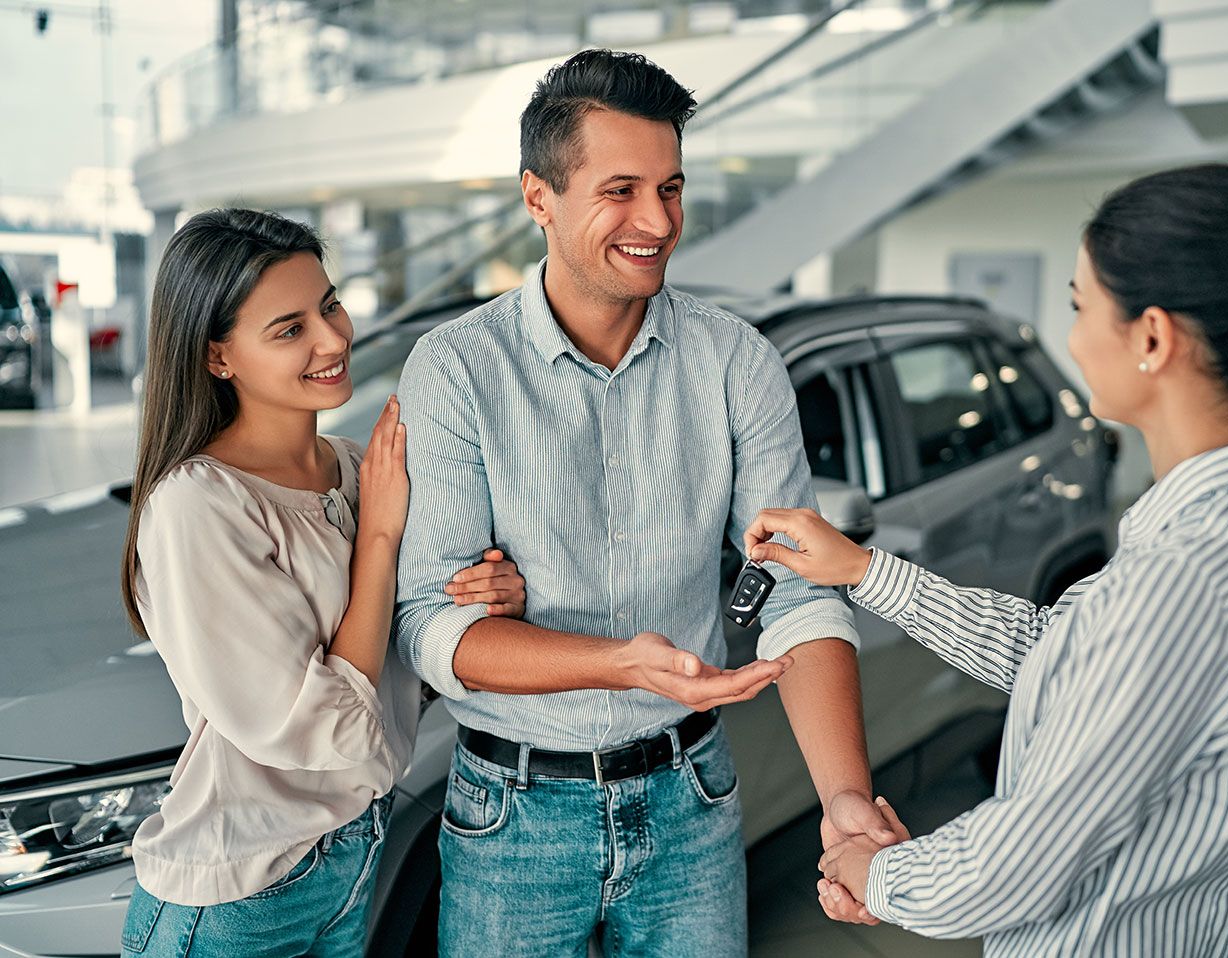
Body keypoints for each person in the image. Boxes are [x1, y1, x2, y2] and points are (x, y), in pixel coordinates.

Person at [747, 163, 1228, 955]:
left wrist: (875, 872)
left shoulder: (1180, 584)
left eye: (1081, 307)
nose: (1074, 339)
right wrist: (864, 571)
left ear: (1151, 338)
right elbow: (1066, 654)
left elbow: (1018, 864)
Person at [394, 49, 897, 957]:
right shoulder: (457, 368)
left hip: (689, 796)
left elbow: (797, 590)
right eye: (620, 191)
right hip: (511, 816)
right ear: (539, 197)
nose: (658, 222)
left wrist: (847, 799)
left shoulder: (737, 361)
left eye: (670, 188)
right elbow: (434, 630)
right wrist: (622, 663)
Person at [117, 208, 525, 957]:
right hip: (239, 895)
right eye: (289, 329)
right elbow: (322, 727)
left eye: (329, 305)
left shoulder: (356, 468)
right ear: (217, 357)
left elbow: (409, 658)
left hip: (351, 857)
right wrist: (380, 539)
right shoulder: (199, 505)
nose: (334, 339)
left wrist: (486, 597)